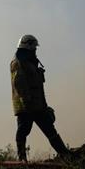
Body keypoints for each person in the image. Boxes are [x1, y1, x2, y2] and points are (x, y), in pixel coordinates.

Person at [10, 34, 71, 162]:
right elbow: (19, 84)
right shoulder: (18, 63)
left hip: (37, 105)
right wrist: (27, 101)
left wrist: (44, 106)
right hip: (26, 106)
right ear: (29, 47)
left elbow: (37, 87)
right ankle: (22, 159)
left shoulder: (30, 63)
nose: (35, 51)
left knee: (49, 128)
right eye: (34, 48)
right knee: (23, 131)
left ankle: (65, 155)